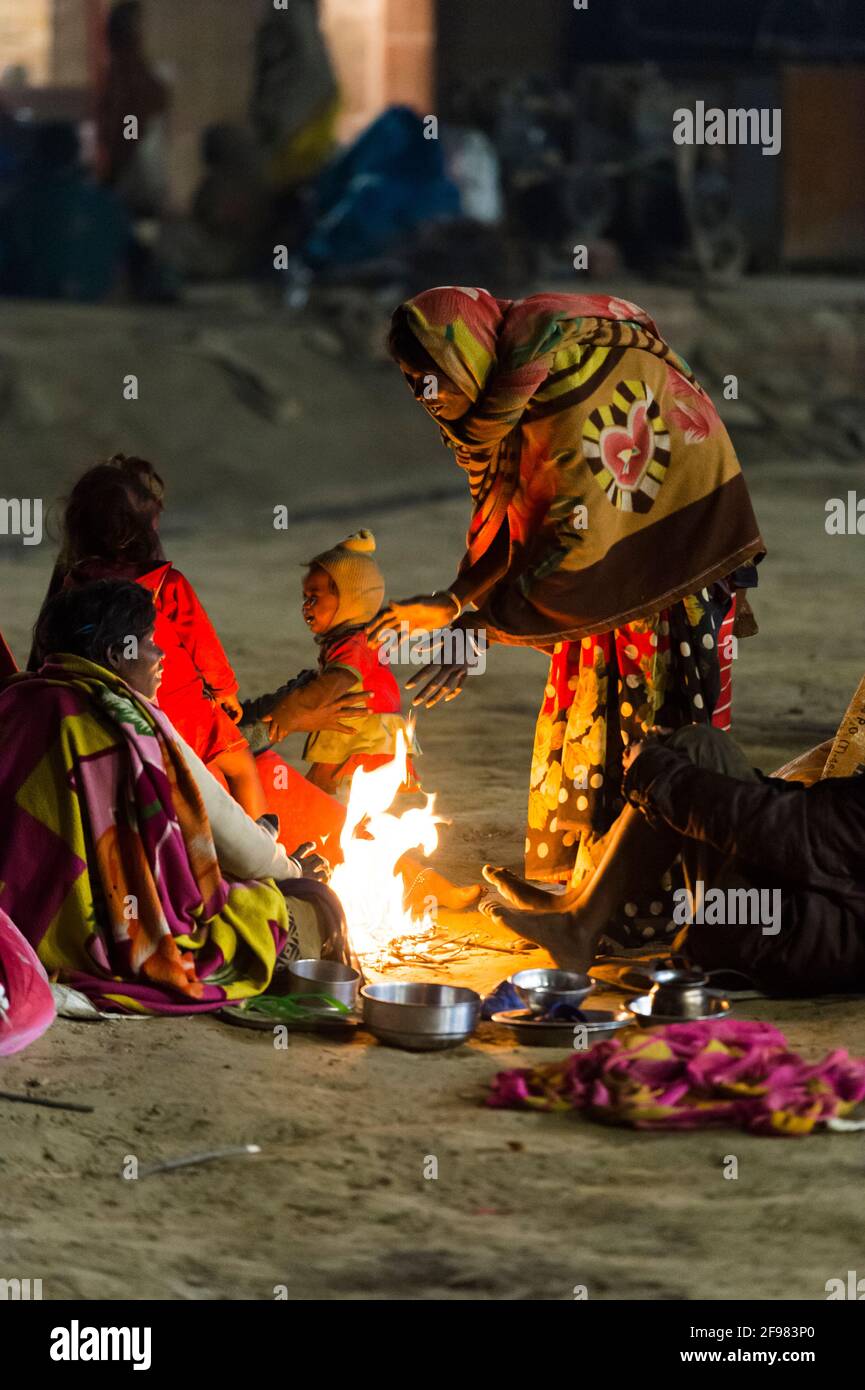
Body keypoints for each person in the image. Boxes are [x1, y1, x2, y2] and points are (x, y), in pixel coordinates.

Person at [372, 287, 763, 945]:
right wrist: (457, 599)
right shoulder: (515, 386)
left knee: (651, 733)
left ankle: (635, 915)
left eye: (429, 377)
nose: (424, 396)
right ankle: (579, 888)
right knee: (588, 717)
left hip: (671, 562)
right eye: (412, 384)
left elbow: (575, 541)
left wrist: (479, 627)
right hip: (621, 561)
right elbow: (529, 519)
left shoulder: (559, 393)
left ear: (463, 353)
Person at [0, 580, 349, 1015]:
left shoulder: (16, 699)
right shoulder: (134, 723)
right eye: (149, 642)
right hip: (111, 942)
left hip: (16, 932)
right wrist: (292, 870)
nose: (160, 655)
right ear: (116, 655)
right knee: (297, 912)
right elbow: (238, 844)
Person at [482, 722, 865, 996]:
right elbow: (805, 817)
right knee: (698, 748)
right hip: (807, 910)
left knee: (684, 764)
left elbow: (775, 828)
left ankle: (579, 927)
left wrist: (656, 771)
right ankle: (579, 906)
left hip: (776, 937)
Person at [34, 455, 266, 818]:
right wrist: (226, 691)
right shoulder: (165, 584)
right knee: (241, 767)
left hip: (115, 708)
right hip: (180, 704)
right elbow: (203, 646)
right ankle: (261, 844)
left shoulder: (74, 584)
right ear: (139, 528)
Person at [243, 531, 417, 797]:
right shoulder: (349, 638)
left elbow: (336, 681)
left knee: (322, 790)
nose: (306, 606)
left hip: (359, 727)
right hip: (357, 723)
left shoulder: (352, 643)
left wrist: (292, 709)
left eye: (315, 597)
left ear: (351, 599)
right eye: (305, 598)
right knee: (338, 790)